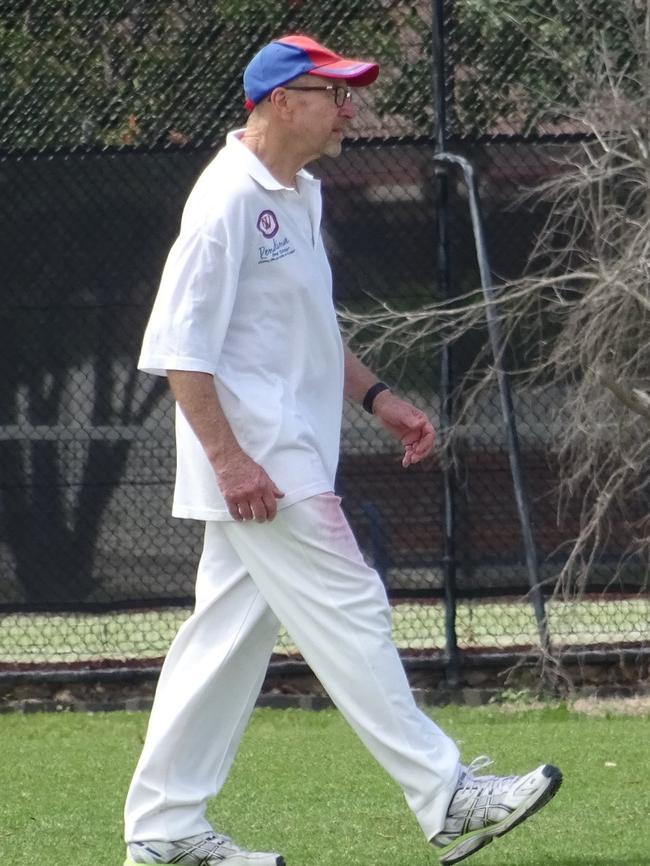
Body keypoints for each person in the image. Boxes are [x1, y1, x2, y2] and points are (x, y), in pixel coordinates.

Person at [124, 34, 562, 866]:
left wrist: (378, 396)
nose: (350, 108)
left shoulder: (302, 194)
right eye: (334, 93)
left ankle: (165, 833)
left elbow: (311, 326)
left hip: (283, 457)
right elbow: (180, 349)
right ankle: (447, 796)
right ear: (283, 101)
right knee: (354, 605)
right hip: (261, 467)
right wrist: (231, 461)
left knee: (221, 648)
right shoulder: (223, 201)